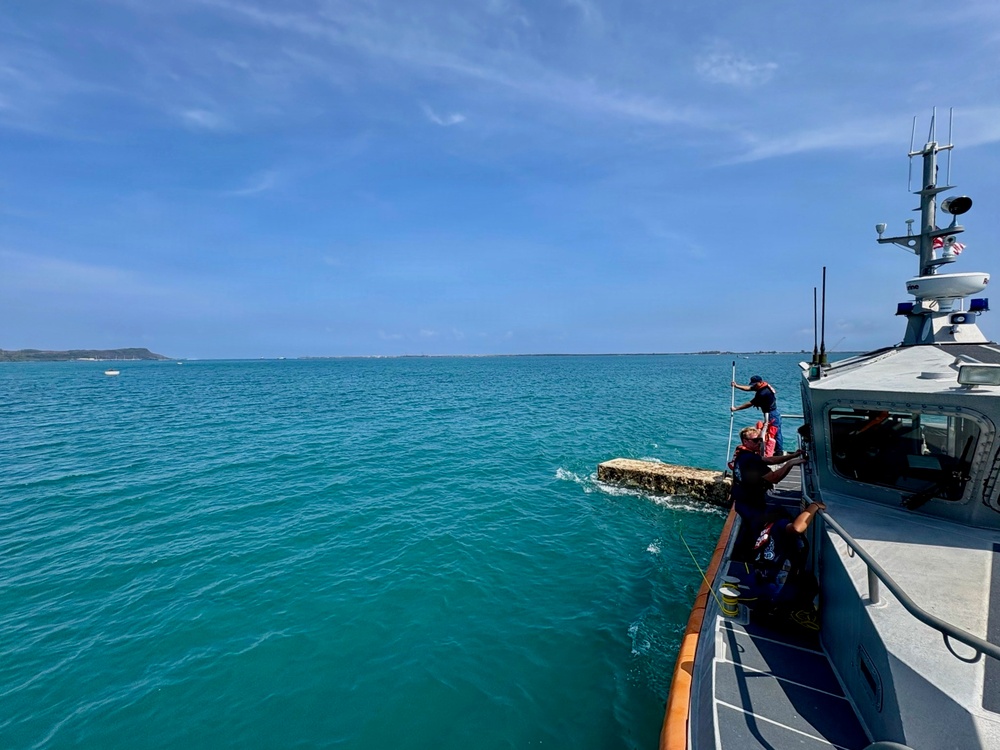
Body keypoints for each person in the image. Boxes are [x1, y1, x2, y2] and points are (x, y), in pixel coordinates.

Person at [730, 426, 807, 558]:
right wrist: (790, 464)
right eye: (755, 441)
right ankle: (754, 558)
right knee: (757, 532)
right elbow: (774, 478)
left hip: (741, 502)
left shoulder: (743, 455)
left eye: (760, 440)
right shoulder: (751, 461)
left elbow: (769, 460)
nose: (759, 443)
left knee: (747, 529)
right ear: (745, 441)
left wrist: (792, 456)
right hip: (751, 504)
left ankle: (741, 551)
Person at [749, 500, 826, 612]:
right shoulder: (780, 524)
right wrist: (813, 507)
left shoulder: (766, 530)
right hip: (777, 587)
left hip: (759, 583)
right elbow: (797, 528)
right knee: (810, 583)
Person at [731, 375, 784, 454]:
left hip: (772, 413)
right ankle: (775, 450)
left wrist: (736, 408)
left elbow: (750, 403)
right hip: (770, 413)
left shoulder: (763, 392)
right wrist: (736, 386)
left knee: (775, 432)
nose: (753, 386)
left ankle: (779, 451)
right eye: (753, 384)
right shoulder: (761, 387)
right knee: (774, 431)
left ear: (760, 382)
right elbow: (749, 388)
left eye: (755, 384)